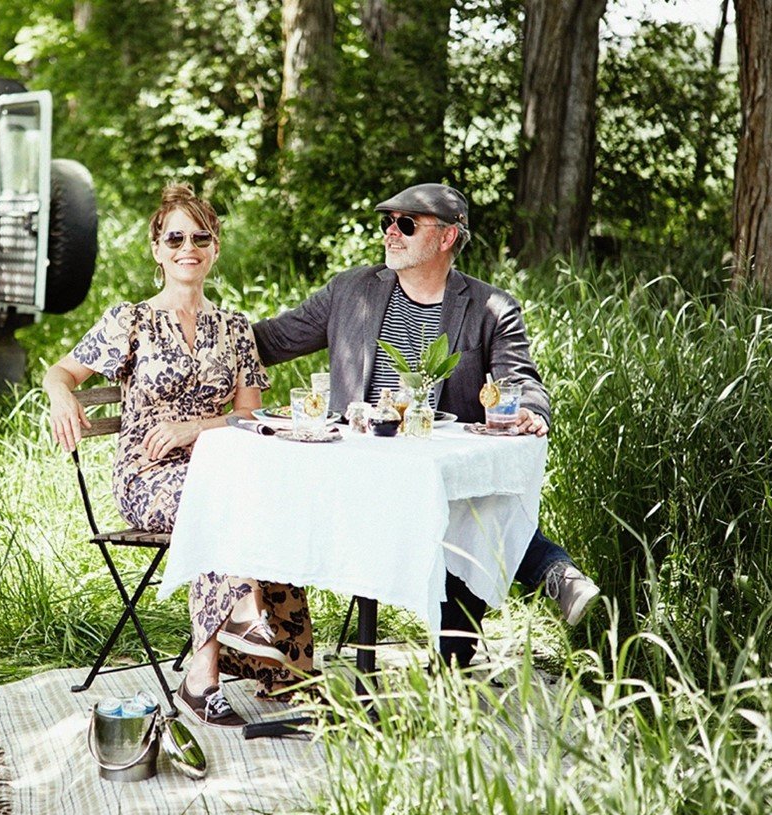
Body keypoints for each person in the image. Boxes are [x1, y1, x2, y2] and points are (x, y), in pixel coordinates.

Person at [252, 183, 600, 668]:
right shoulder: (350, 290)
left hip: (432, 474)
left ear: (446, 238)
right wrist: (190, 328)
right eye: (387, 223)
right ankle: (553, 572)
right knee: (461, 506)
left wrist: (531, 412)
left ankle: (490, 628)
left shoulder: (489, 308)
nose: (391, 233)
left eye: (406, 224)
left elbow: (520, 378)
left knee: (464, 500)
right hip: (354, 469)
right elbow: (270, 340)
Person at [43, 183, 314, 728]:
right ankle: (234, 629)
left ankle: (246, 672)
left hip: (220, 474)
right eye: (175, 237)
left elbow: (249, 416)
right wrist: (60, 398)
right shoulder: (131, 321)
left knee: (266, 500)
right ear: (157, 248)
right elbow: (60, 371)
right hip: (147, 478)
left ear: (215, 248)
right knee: (220, 502)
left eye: (200, 237)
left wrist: (194, 428)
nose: (188, 246)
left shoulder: (235, 327)